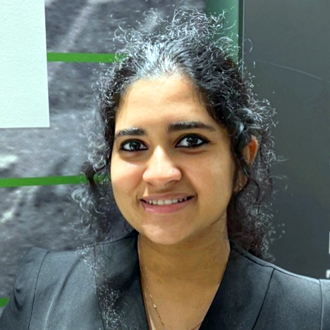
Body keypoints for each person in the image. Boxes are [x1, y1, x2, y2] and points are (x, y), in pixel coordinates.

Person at [1, 8, 329, 330]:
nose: (159, 173)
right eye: (133, 146)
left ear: (243, 160)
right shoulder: (43, 294)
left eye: (190, 141)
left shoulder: (312, 313)